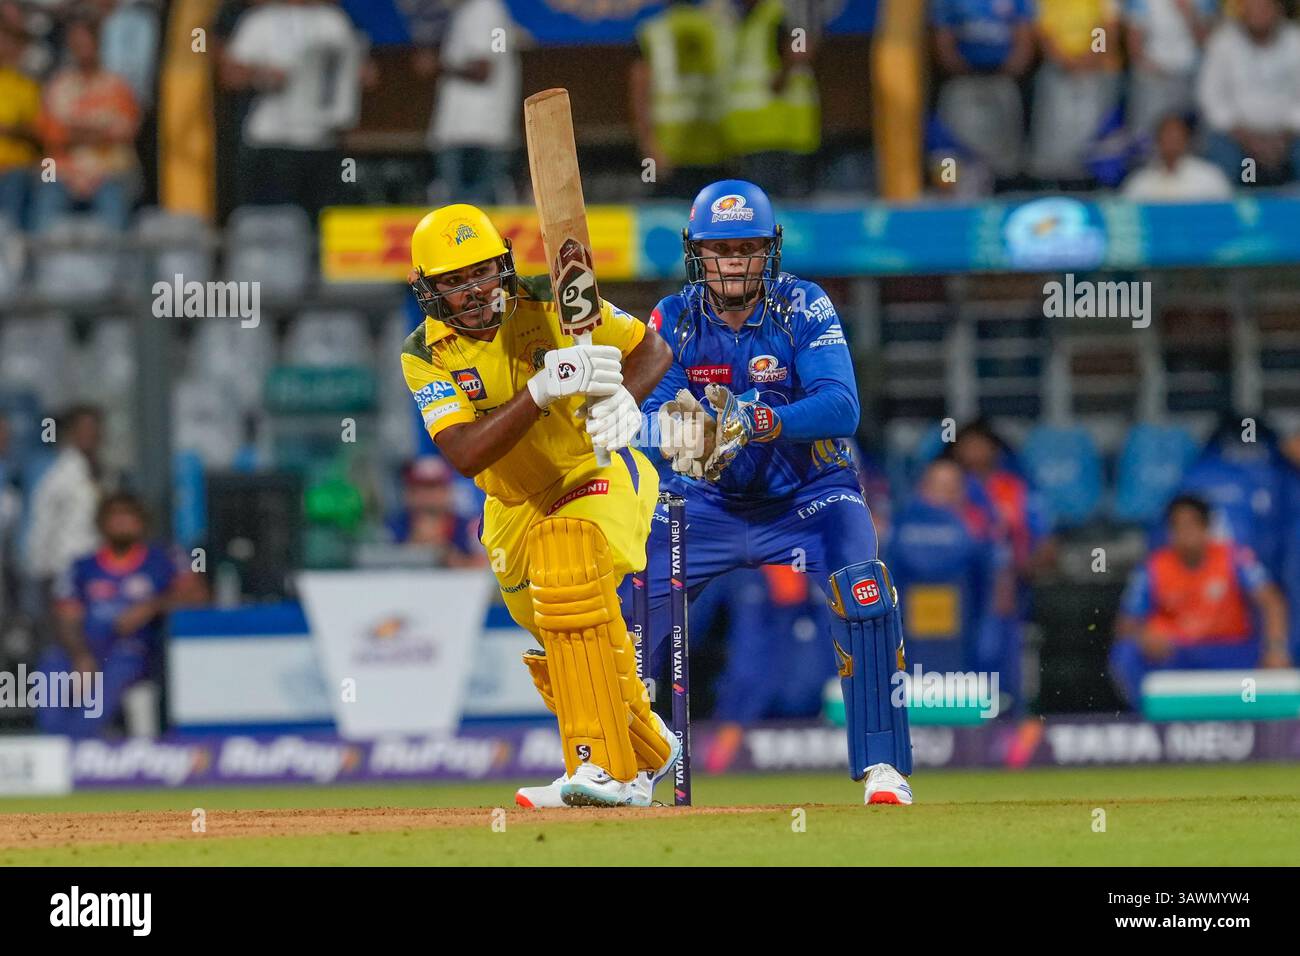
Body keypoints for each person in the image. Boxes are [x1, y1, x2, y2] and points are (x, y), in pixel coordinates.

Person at [400, 203, 677, 808]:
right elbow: (466, 455)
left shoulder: (556, 301)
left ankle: (604, 764)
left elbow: (652, 349)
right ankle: (644, 747)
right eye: (453, 281)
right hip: (513, 502)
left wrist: (624, 401)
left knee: (568, 572)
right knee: (558, 630)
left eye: (480, 273)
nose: (472, 292)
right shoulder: (425, 352)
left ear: (502, 265)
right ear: (428, 289)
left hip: (594, 466)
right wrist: (539, 389)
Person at [649, 179, 914, 804]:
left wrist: (762, 421)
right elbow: (655, 414)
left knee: (865, 590)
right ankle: (624, 763)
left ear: (772, 250)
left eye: (748, 247)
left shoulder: (803, 304)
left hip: (810, 496)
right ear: (696, 253)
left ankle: (882, 766)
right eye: (720, 249)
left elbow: (841, 407)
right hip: (708, 503)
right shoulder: (674, 317)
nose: (734, 262)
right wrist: (686, 436)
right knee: (628, 597)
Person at [37, 492, 195, 737]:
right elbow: (67, 617)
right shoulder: (82, 566)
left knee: (112, 676)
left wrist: (152, 606)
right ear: (101, 523)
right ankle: (51, 745)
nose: (122, 522)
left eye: (128, 516)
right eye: (115, 516)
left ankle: (77, 746)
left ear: (142, 521)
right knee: (52, 667)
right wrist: (81, 656)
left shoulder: (164, 559)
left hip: (134, 650)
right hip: (87, 646)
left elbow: (197, 595)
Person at [1110, 494, 1290, 706]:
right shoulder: (1153, 567)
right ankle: (1147, 720)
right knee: (1127, 652)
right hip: (1179, 652)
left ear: (1206, 529)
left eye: (1191, 525)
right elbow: (1125, 624)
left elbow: (1272, 602)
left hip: (1229, 651)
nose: (1185, 534)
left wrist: (1276, 648)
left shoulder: (1234, 557)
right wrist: (1144, 635)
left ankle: (1263, 722)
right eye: (1177, 526)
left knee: (1274, 655)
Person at [220, 0, 364, 220]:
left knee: (324, 225)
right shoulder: (260, 20)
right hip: (271, 141)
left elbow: (353, 67)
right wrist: (263, 75)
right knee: (270, 224)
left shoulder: (333, 20)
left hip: (322, 141)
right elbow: (230, 75)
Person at [888, 459, 1000, 679]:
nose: (944, 495)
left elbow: (986, 588)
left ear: (961, 492)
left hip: (960, 639)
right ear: (922, 488)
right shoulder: (899, 527)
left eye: (951, 488)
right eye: (937, 487)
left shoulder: (978, 531)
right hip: (908, 641)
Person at [31, 15, 141, 232]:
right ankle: (37, 263)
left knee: (114, 215)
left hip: (109, 172)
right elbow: (49, 132)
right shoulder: (58, 85)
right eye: (75, 43)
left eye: (85, 42)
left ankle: (115, 264)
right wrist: (95, 131)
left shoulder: (118, 86)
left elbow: (124, 131)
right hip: (61, 172)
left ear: (97, 43)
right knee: (44, 203)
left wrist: (73, 131)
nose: (80, 49)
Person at [418, 0, 520, 206]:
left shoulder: (482, 11)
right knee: (471, 214)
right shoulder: (472, 11)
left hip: (474, 133)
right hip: (476, 130)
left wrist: (437, 66)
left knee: (467, 213)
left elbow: (483, 70)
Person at [931, 0, 1036, 190]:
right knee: (951, 141)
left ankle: (1006, 185)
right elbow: (944, 43)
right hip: (963, 79)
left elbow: (1024, 40)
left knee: (1007, 141)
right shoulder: (950, 3)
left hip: (1004, 77)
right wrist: (962, 70)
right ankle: (951, 187)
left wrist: (1009, 70)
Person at [630, 0, 730, 199]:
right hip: (716, 147)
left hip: (671, 149)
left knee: (672, 221)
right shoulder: (720, 27)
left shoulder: (652, 30)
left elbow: (639, 90)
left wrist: (648, 145)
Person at [1197, 0, 1300, 186]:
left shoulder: (1295, 41)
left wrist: (1284, 135)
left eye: (1264, 9)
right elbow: (1210, 97)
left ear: (1278, 11)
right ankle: (1236, 209)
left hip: (1289, 136)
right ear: (1242, 13)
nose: (1258, 15)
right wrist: (1247, 139)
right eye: (1252, 9)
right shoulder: (1224, 42)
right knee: (1222, 154)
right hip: (1238, 138)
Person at [1027, 0, 1123, 186]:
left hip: (1097, 70)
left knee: (1095, 129)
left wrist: (1092, 56)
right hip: (1059, 68)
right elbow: (1043, 30)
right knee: (1057, 127)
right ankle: (1054, 182)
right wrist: (1064, 60)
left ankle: (1094, 180)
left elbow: (1107, 25)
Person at [1124, 0, 1217, 140]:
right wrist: (1157, 70)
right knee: (1147, 87)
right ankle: (1144, 150)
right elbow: (1134, 47)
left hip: (1192, 72)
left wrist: (1189, 14)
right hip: (1153, 73)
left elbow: (1209, 45)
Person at [1122, 112, 1233, 200]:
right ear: (1157, 141)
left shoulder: (1210, 177)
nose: (1172, 142)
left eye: (1176, 137)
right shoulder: (1139, 183)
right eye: (1167, 137)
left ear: (1187, 140)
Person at [0, 19, 38, 228]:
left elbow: (38, 131)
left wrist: (11, 130)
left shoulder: (27, 85)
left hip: (15, 168)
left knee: (22, 182)